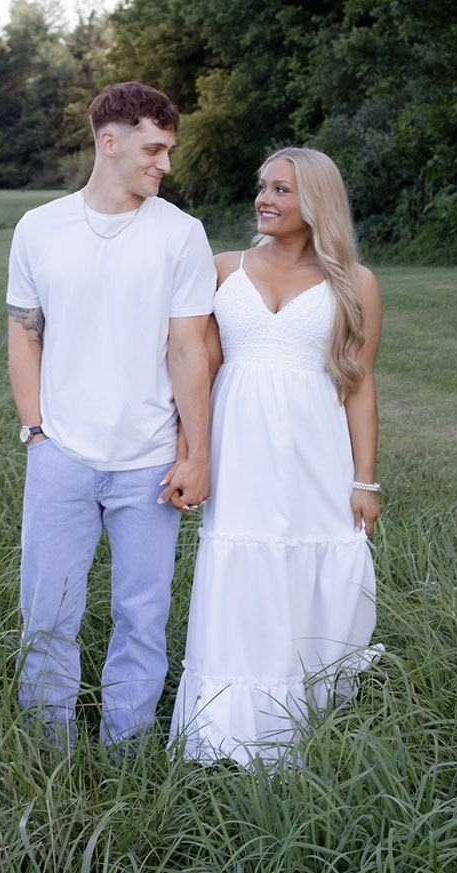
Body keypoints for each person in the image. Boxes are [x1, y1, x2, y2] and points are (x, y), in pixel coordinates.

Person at [6, 82, 216, 749]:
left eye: (169, 150)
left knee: (143, 615)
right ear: (110, 142)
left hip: (150, 461)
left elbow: (188, 350)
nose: (166, 164)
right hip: (61, 454)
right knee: (48, 613)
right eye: (155, 148)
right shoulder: (39, 228)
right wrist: (37, 430)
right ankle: (48, 751)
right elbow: (24, 332)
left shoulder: (181, 235)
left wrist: (196, 452)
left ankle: (128, 750)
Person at [167, 147, 383, 765]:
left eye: (282, 190)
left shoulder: (356, 283)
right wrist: (189, 454)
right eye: (263, 186)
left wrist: (365, 480)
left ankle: (310, 716)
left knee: (316, 567)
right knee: (242, 564)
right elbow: (197, 369)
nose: (264, 198)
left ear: (315, 202)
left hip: (316, 449)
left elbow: (359, 383)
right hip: (240, 448)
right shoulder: (222, 268)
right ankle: (231, 737)